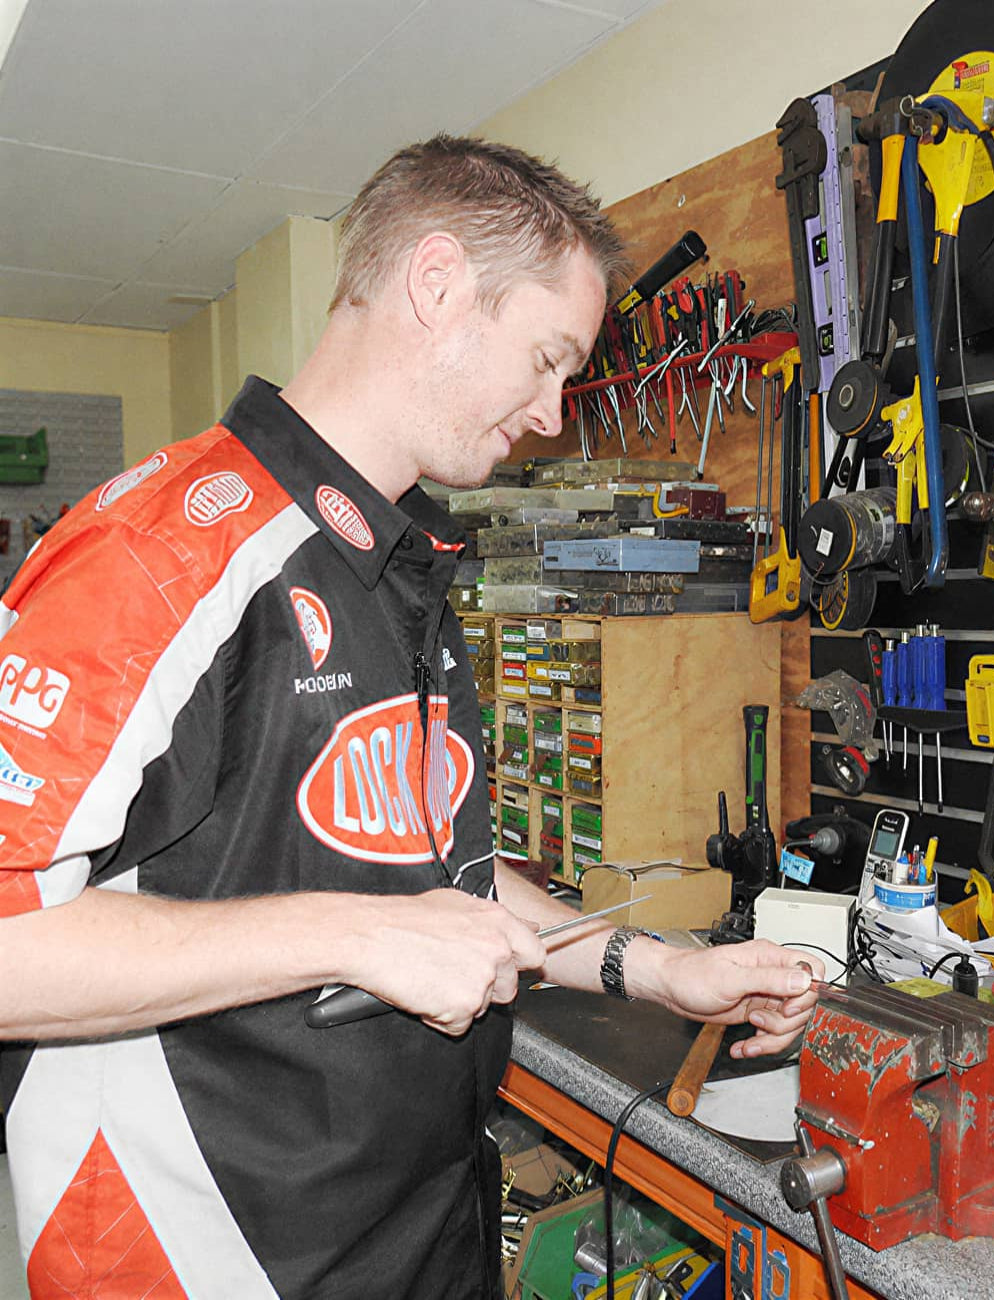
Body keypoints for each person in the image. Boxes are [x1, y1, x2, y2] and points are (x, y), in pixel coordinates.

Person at [0, 135, 823, 1299]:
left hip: (423, 1221)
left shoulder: (402, 564)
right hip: (206, 1253)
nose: (551, 412)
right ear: (436, 284)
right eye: (546, 359)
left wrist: (656, 970)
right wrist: (355, 933)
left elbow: (438, 881)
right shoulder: (162, 553)